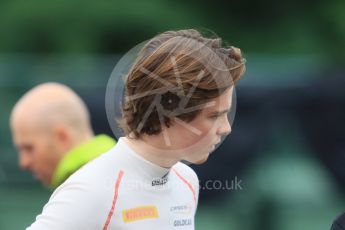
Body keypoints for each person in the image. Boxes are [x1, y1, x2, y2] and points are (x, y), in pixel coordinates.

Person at [26, 29, 246, 229]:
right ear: (170, 110)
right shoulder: (93, 190)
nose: (226, 128)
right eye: (214, 115)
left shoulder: (187, 181)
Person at [10, 83, 116, 188]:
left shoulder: (79, 191)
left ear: (62, 137)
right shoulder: (119, 170)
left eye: (29, 148)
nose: (23, 163)